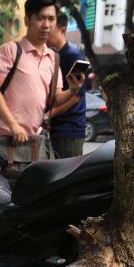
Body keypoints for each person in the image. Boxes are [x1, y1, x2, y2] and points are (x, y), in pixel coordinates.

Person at [0, 0, 85, 177]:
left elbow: (55, 98)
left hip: (37, 143)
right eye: (40, 18)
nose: (46, 25)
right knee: (8, 198)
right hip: (8, 141)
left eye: (51, 19)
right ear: (27, 20)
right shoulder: (10, 51)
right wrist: (14, 125)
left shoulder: (53, 58)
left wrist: (72, 90)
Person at [47, 12, 88, 159]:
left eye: (49, 31)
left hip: (69, 129)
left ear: (62, 31)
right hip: (54, 128)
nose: (45, 34)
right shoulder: (52, 56)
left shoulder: (73, 56)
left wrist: (47, 116)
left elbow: (75, 98)